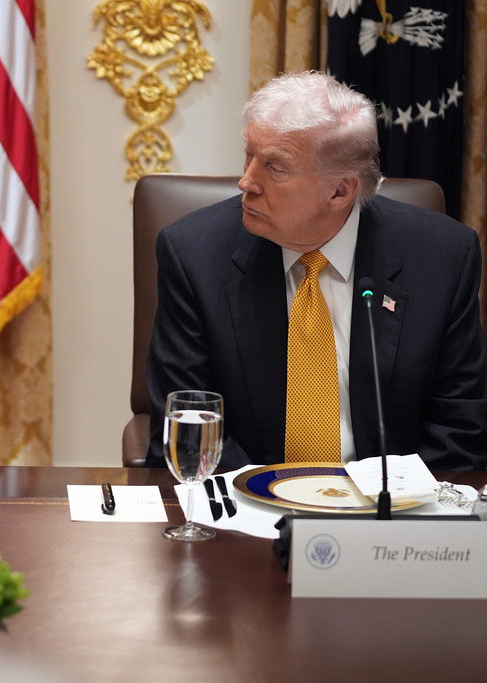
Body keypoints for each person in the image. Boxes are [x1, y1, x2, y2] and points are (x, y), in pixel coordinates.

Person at [146, 71, 487, 471]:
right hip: (249, 508)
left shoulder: (443, 256)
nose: (246, 182)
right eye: (249, 154)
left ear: (340, 191)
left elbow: (460, 432)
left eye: (275, 167)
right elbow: (189, 423)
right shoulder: (193, 254)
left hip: (386, 512)